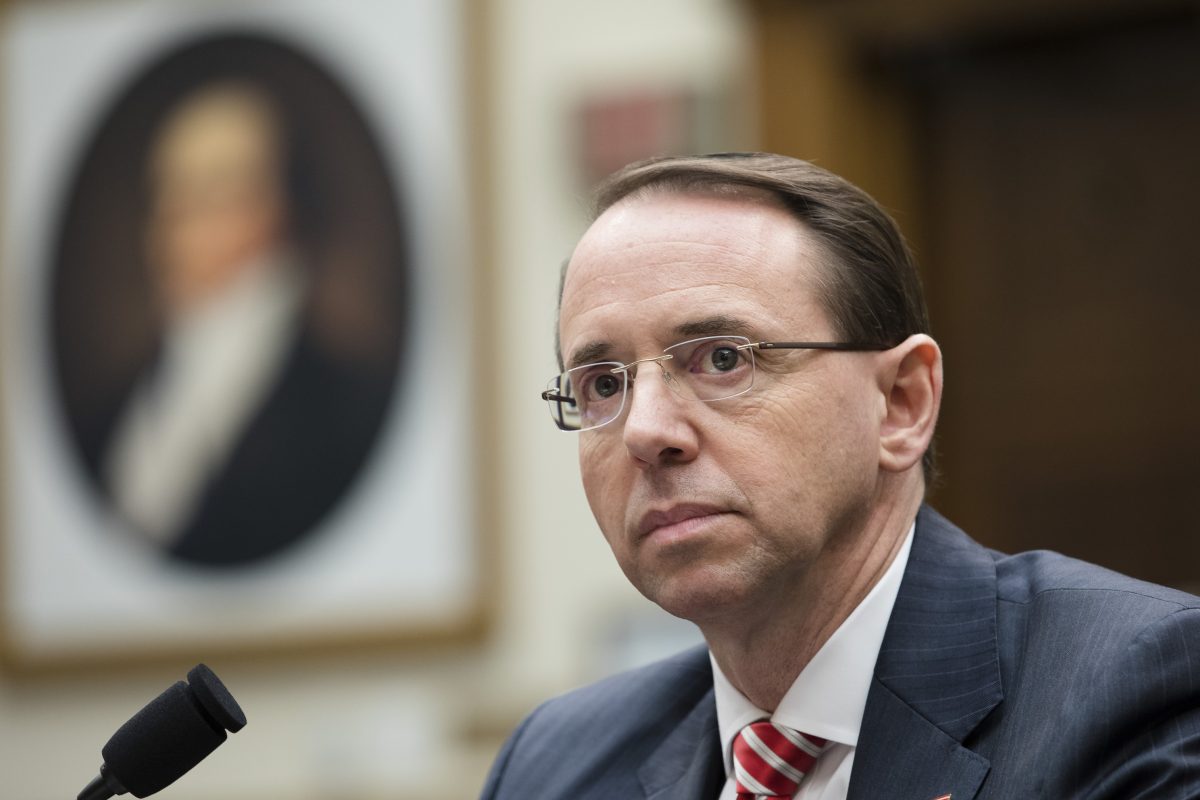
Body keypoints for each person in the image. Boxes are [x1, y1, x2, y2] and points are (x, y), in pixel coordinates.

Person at [481, 153, 1200, 798]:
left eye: (723, 359)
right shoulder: (555, 767)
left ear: (901, 403)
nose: (646, 431)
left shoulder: (1132, 688)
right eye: (604, 384)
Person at [85, 81, 391, 566]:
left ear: (279, 207)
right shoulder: (116, 407)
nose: (171, 221)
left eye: (208, 192)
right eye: (166, 192)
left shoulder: (344, 409)